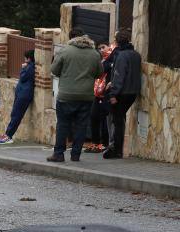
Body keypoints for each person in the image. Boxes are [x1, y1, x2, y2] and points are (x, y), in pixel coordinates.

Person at [47, 28, 103, 163]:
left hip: (66, 95)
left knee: (63, 124)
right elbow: (99, 73)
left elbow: (54, 70)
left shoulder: (65, 51)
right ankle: (76, 155)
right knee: (81, 125)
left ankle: (59, 154)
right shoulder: (94, 54)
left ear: (71, 38)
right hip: (86, 96)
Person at [103, 29, 141, 159]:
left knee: (117, 120)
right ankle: (116, 149)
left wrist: (113, 94)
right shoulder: (136, 55)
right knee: (119, 118)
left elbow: (119, 76)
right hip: (133, 92)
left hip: (122, 92)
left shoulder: (121, 56)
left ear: (117, 42)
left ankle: (116, 150)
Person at [0, 49, 35, 145]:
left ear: (28, 58)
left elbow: (22, 77)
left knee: (16, 115)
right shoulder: (30, 66)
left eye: (25, 57)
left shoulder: (30, 67)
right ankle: (7, 134)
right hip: (21, 93)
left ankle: (8, 136)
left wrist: (23, 68)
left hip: (24, 95)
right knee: (14, 114)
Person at [85, 43, 113, 153]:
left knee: (104, 120)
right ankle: (96, 143)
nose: (101, 50)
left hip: (105, 94)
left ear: (108, 47)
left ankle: (104, 144)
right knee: (94, 117)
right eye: (99, 48)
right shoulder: (100, 60)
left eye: (103, 47)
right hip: (97, 94)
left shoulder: (111, 59)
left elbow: (102, 72)